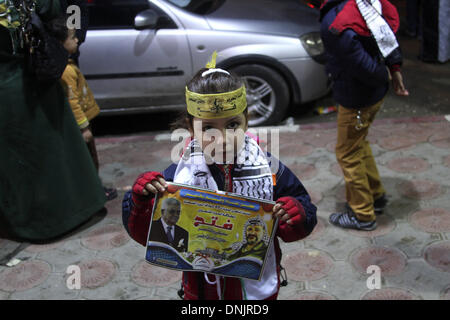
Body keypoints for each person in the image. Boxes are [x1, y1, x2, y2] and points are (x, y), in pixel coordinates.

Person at [122, 53, 317, 300]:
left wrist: (295, 214)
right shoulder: (176, 177)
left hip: (257, 289)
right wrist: (141, 202)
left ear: (247, 120)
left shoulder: (270, 170)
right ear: (190, 127)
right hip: (203, 290)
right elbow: (148, 237)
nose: (222, 139)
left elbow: (299, 224)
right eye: (209, 128)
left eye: (233, 125)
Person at [0, 0, 106, 242]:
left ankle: (43, 219)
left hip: (20, 84)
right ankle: (75, 207)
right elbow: (57, 11)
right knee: (56, 150)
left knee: (25, 159)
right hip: (38, 76)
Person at [320, 0, 409, 231]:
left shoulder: (337, 21)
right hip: (371, 95)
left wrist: (386, 74)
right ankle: (376, 196)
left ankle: (362, 215)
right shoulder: (366, 4)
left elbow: (363, 66)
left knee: (347, 153)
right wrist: (394, 68)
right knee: (358, 144)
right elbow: (386, 37)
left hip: (357, 99)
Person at [46, 16, 117, 200]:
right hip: (81, 125)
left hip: (83, 122)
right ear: (60, 43)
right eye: (72, 37)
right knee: (88, 161)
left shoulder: (67, 65)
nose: (77, 39)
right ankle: (93, 193)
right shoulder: (67, 72)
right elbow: (73, 102)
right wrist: (84, 127)